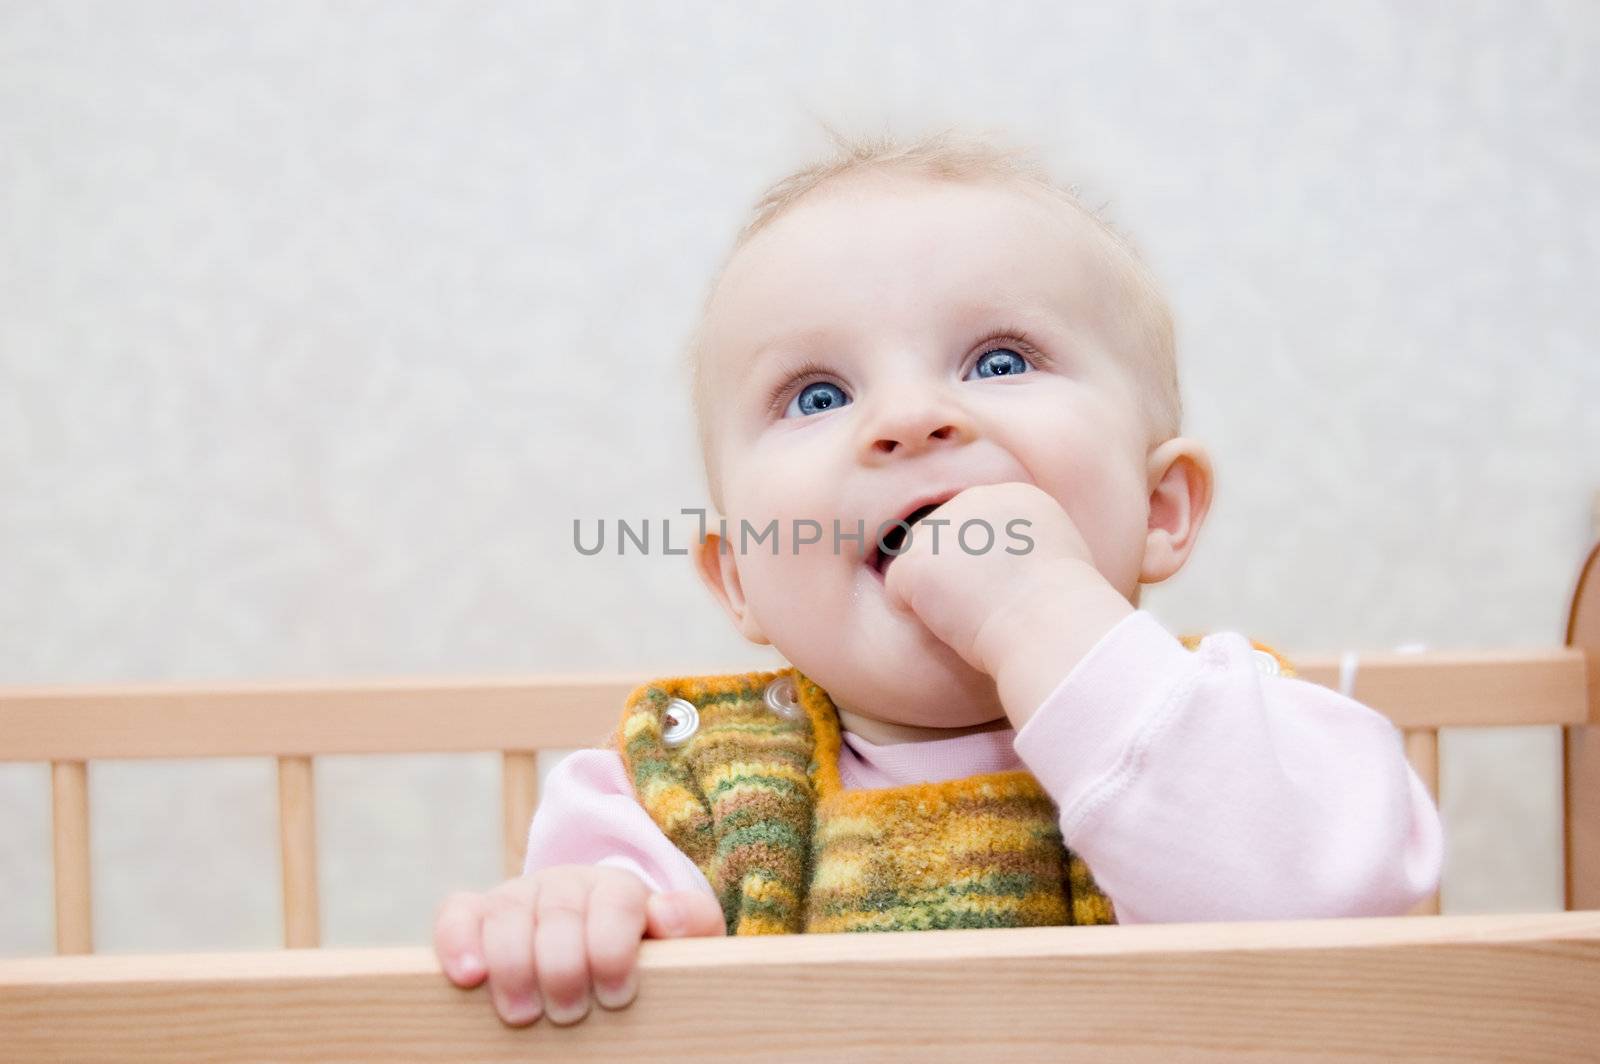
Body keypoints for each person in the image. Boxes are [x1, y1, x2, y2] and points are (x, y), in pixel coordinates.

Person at [432, 128, 1445, 1028]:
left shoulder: (1246, 732)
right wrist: (569, 921)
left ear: (1161, 510)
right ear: (739, 575)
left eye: (999, 362)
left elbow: (1317, 920)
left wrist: (1043, 613)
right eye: (818, 392)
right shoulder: (672, 796)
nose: (910, 417)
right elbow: (598, 969)